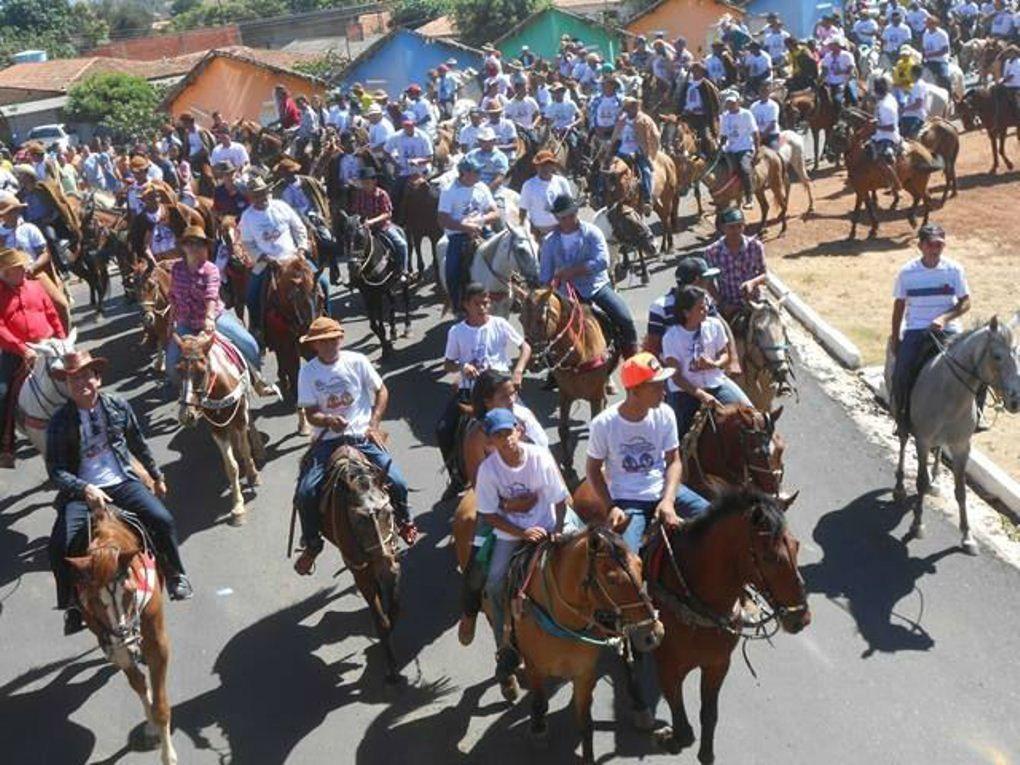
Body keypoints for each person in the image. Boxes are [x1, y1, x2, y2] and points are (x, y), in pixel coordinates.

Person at [46, 350, 193, 635]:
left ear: (97, 379)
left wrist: (156, 474)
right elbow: (56, 470)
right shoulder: (59, 422)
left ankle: (176, 574)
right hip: (82, 491)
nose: (81, 384)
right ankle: (71, 605)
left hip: (121, 481)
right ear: (67, 385)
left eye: (86, 376)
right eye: (74, 379)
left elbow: (138, 443)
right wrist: (83, 488)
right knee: (59, 546)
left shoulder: (118, 405)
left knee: (161, 519)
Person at [293, 316, 419, 575]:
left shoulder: (358, 361)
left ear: (340, 339)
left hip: (361, 436)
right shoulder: (308, 371)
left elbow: (381, 390)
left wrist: (373, 424)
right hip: (327, 440)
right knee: (305, 493)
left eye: (333, 340)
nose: (329, 346)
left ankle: (405, 521)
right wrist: (327, 419)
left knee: (398, 481)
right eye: (322, 342)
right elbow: (309, 413)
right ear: (314, 346)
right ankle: (312, 544)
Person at [473, 408, 571, 677]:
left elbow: (560, 500)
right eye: (498, 436)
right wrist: (522, 533)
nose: (506, 440)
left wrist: (559, 531)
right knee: (494, 581)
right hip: (511, 534)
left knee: (588, 556)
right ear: (491, 441)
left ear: (519, 430)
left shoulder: (539, 457)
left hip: (548, 525)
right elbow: (490, 515)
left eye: (508, 432)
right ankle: (503, 643)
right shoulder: (488, 471)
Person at [586, 352, 710, 555]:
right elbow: (592, 470)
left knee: (715, 518)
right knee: (627, 558)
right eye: (656, 386)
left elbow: (674, 461)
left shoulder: (665, 413)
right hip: (629, 500)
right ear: (634, 390)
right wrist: (610, 507)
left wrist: (668, 500)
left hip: (664, 490)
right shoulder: (604, 424)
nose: (664, 392)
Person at [437, 282, 531, 488]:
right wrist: (463, 367)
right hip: (469, 391)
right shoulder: (456, 331)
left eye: (486, 303)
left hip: (500, 390)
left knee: (531, 427)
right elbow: (448, 364)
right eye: (477, 304)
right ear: (466, 305)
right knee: (443, 429)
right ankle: (456, 477)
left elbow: (525, 347)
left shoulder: (500, 324)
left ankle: (543, 463)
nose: (482, 308)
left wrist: (518, 371)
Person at [166, 226, 277, 396]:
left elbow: (211, 295)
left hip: (213, 319)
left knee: (249, 344)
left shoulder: (210, 269)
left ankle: (257, 381)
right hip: (185, 323)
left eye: (198, 244)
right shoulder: (176, 269)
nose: (193, 247)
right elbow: (173, 296)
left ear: (204, 247)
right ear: (183, 247)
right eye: (189, 243)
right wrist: (171, 322)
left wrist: (209, 319)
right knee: (171, 364)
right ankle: (189, 394)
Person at [890, 223, 971, 435]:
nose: (936, 249)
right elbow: (899, 306)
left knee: (975, 369)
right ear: (921, 246)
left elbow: (965, 302)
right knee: (901, 373)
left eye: (940, 245)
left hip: (949, 330)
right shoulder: (907, 273)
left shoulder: (954, 270)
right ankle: (902, 418)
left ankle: (975, 418)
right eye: (931, 245)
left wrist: (945, 318)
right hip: (917, 329)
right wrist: (896, 337)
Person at [540, 193, 638, 357]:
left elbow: (602, 261)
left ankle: (633, 357)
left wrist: (572, 271)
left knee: (624, 317)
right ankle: (552, 364)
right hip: (565, 294)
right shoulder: (549, 242)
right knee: (546, 327)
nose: (568, 220)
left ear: (576, 212)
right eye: (563, 217)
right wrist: (549, 286)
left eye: (571, 215)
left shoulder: (592, 232)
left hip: (595, 287)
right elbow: (544, 275)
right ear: (557, 217)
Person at [238, 177, 329, 340]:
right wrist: (264, 257)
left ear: (268, 192)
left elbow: (299, 228)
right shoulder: (247, 217)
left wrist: (301, 249)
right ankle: (259, 330)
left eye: (263, 193)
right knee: (252, 295)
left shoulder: (281, 207)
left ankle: (327, 320)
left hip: (294, 258)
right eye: (256, 195)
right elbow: (247, 244)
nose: (261, 197)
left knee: (322, 282)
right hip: (267, 263)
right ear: (250, 197)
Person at [0, 247, 66, 467]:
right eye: (17, 268)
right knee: (2, 393)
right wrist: (23, 349)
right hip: (18, 352)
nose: (23, 270)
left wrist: (62, 339)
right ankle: (6, 446)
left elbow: (52, 314)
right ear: (6, 273)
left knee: (79, 372)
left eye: (22, 267)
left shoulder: (36, 287)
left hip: (48, 344)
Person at [662, 285, 752, 435]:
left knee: (750, 413)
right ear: (686, 313)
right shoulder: (671, 337)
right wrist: (702, 395)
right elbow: (676, 377)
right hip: (686, 391)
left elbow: (725, 354)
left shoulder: (714, 326)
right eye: (700, 308)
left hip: (715, 383)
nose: (706, 311)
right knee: (678, 433)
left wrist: (714, 364)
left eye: (706, 306)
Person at [438, 157, 500, 311]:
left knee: (505, 251)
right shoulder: (449, 191)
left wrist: (481, 220)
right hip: (458, 235)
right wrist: (466, 227)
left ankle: (513, 287)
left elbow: (496, 213)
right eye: (476, 171)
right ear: (464, 173)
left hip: (483, 230)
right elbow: (443, 219)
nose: (480, 174)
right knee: (452, 271)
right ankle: (457, 305)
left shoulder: (482, 187)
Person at [0, 191, 68, 330]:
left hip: (33, 274)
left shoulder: (29, 229)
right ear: (3, 215)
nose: (14, 214)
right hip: (8, 279)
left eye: (16, 210)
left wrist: (33, 267)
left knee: (61, 304)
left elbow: (45, 254)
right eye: (10, 211)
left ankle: (65, 339)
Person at [644, 255, 722, 355]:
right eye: (706, 279)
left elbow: (720, 326)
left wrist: (733, 360)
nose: (708, 283)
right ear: (696, 281)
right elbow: (653, 347)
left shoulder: (706, 300)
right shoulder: (659, 307)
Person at [704, 207, 767, 316]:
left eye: (739, 226)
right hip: (728, 306)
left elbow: (765, 274)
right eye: (731, 227)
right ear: (723, 228)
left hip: (754, 303)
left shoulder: (755, 246)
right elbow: (709, 283)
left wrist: (752, 283)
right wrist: (722, 303)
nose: (736, 230)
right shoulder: (712, 252)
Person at [350, 166, 410, 279]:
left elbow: (387, 213)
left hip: (383, 227)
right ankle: (354, 274)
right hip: (365, 229)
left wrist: (372, 221)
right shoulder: (359, 195)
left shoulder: (382, 194)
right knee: (353, 247)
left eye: (367, 182)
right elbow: (356, 211)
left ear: (374, 181)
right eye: (363, 182)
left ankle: (403, 270)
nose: (364, 185)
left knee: (402, 244)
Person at [609, 97, 660, 215]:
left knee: (646, 171)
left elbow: (655, 136)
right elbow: (616, 135)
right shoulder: (622, 120)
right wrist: (611, 146)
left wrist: (651, 153)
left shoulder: (645, 120)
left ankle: (647, 200)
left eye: (633, 106)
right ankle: (599, 194)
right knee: (606, 168)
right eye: (628, 106)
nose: (630, 109)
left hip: (638, 152)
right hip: (622, 151)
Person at [719, 91, 759, 209]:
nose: (730, 105)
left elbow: (755, 133)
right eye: (728, 103)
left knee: (744, 168)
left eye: (732, 102)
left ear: (738, 102)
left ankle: (749, 197)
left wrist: (756, 150)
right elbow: (724, 135)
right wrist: (719, 148)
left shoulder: (746, 114)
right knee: (719, 168)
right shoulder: (725, 116)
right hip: (730, 149)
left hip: (744, 147)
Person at [518, 151, 572, 237]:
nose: (545, 168)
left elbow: (569, 206)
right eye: (542, 165)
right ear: (537, 167)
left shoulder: (562, 182)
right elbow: (523, 209)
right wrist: (521, 227)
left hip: (559, 228)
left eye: (549, 165)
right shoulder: (529, 185)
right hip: (537, 231)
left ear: (553, 166)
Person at [871, 77, 903, 194]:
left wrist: (876, 126)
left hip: (888, 137)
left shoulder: (886, 106)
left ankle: (896, 184)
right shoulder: (887, 98)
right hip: (879, 134)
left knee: (882, 161)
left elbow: (891, 127)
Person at [466, 127, 510, 192]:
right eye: (483, 141)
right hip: (471, 187)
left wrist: (485, 192)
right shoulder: (472, 154)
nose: (487, 144)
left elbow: (500, 178)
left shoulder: (500, 157)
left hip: (493, 190)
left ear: (494, 141)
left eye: (489, 141)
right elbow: (463, 170)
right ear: (479, 141)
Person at [821, 37, 858, 109]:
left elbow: (851, 70)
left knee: (837, 99)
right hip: (829, 82)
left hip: (842, 82)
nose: (829, 46)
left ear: (837, 45)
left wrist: (841, 72)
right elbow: (824, 71)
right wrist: (820, 80)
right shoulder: (827, 56)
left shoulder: (847, 56)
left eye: (831, 45)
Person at [921, 17, 952, 93]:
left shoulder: (942, 34)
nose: (927, 25)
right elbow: (924, 48)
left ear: (934, 24)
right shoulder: (925, 34)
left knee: (944, 78)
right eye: (926, 23)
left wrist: (931, 55)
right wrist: (923, 56)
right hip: (928, 61)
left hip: (940, 61)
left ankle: (950, 95)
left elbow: (945, 50)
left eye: (928, 23)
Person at [898, 66, 928, 139]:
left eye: (910, 73)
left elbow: (918, 104)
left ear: (913, 74)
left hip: (914, 117)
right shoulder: (919, 84)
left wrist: (903, 109)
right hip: (911, 115)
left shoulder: (918, 85)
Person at [750, 81, 781, 150]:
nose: (764, 93)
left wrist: (762, 137)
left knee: (775, 152)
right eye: (762, 91)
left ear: (769, 92)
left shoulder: (773, 105)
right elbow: (751, 123)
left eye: (766, 91)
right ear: (759, 92)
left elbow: (772, 124)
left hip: (771, 136)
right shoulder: (754, 106)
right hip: (757, 136)